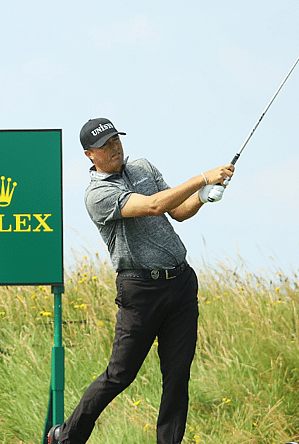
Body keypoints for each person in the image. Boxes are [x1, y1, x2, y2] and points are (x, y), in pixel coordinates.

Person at [47, 118, 234, 444]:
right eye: (105, 145)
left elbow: (177, 211)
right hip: (141, 291)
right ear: (90, 154)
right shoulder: (98, 194)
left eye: (116, 140)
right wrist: (202, 178)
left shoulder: (143, 168)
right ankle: (66, 437)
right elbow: (153, 206)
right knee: (120, 375)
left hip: (181, 283)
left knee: (177, 375)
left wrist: (202, 196)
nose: (114, 147)